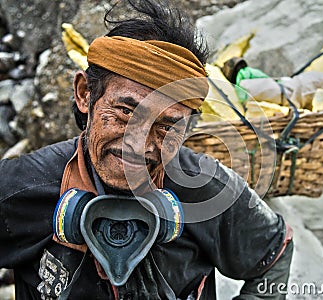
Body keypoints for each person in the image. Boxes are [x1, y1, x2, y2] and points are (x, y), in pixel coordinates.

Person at [0, 0, 293, 299]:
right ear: (85, 94)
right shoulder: (19, 187)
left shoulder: (209, 190)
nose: (139, 144)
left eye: (167, 125)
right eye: (126, 112)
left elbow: (274, 253)